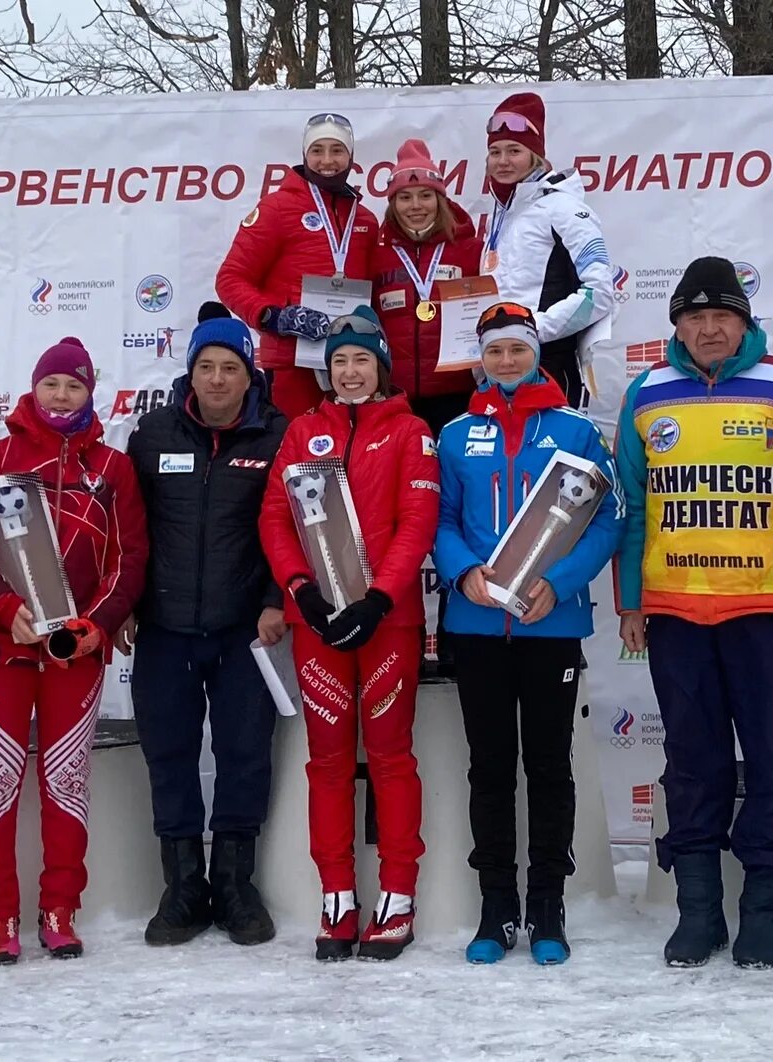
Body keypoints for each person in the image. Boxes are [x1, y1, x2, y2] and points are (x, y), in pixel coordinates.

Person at [613, 257, 773, 970]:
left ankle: (764, 912)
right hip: (677, 614)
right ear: (676, 324)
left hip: (765, 612)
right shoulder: (647, 392)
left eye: (722, 316)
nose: (709, 329)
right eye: (694, 316)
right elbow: (632, 505)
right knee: (692, 767)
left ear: (744, 322)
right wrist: (629, 601)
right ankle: (700, 913)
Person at [0, 336, 147, 964]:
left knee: (66, 783)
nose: (61, 396)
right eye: (51, 384)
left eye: (75, 386)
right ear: (33, 389)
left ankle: (60, 909)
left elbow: (129, 556)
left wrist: (99, 622)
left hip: (75, 651)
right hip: (0, 648)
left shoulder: (111, 467)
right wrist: (5, 612)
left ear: (92, 394)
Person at [433, 302, 622, 966]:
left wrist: (561, 581)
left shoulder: (575, 429)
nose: (506, 362)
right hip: (478, 623)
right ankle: (495, 908)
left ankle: (547, 905)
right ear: (480, 359)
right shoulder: (456, 433)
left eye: (517, 350)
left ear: (536, 354)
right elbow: (441, 519)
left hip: (552, 623)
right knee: (489, 769)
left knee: (548, 767)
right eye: (494, 352)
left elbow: (608, 520)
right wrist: (464, 573)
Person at [258, 306, 439, 961]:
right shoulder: (303, 430)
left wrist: (380, 597)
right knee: (328, 762)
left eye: (362, 359)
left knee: (391, 758)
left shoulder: (411, 430)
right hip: (319, 625)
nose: (351, 371)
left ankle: (398, 898)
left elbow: (417, 520)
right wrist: (300, 590)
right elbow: (275, 518)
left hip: (386, 622)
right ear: (326, 370)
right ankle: (337, 899)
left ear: (380, 366)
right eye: (339, 361)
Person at [121, 303, 289, 948]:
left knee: (245, 754)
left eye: (230, 368)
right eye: (205, 367)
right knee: (170, 753)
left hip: (246, 628)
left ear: (250, 375)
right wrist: (126, 603)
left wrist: (277, 599)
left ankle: (236, 884)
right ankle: (183, 886)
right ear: (189, 373)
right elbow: (129, 532)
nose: (217, 379)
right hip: (165, 627)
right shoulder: (152, 434)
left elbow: (295, 525)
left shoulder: (277, 435)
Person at [216, 112, 379, 419]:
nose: (327, 160)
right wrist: (273, 316)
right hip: (293, 363)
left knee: (352, 456)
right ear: (305, 155)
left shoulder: (366, 221)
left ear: (351, 156)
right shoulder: (276, 208)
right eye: (317, 151)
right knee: (296, 455)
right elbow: (230, 278)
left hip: (350, 364)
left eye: (337, 150)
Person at [477, 91, 617, 410]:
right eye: (495, 152)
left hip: (549, 365)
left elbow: (600, 291)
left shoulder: (564, 208)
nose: (503, 161)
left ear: (535, 156)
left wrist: (532, 329)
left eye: (514, 150)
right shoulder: (499, 214)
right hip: (500, 366)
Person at [371, 137, 485, 436]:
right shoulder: (375, 253)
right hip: (395, 395)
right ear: (393, 203)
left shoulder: (471, 249)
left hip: (458, 393)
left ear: (440, 199)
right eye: (404, 197)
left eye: (425, 195)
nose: (416, 206)